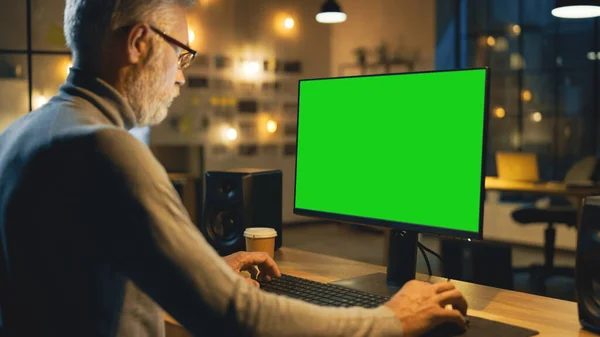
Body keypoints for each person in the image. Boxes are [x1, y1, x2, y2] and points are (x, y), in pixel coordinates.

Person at [0, 0, 469, 336]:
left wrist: (201, 268)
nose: (182, 74)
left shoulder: (21, 135)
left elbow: (71, 276)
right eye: (181, 53)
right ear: (139, 43)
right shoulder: (107, 151)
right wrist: (391, 320)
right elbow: (234, 317)